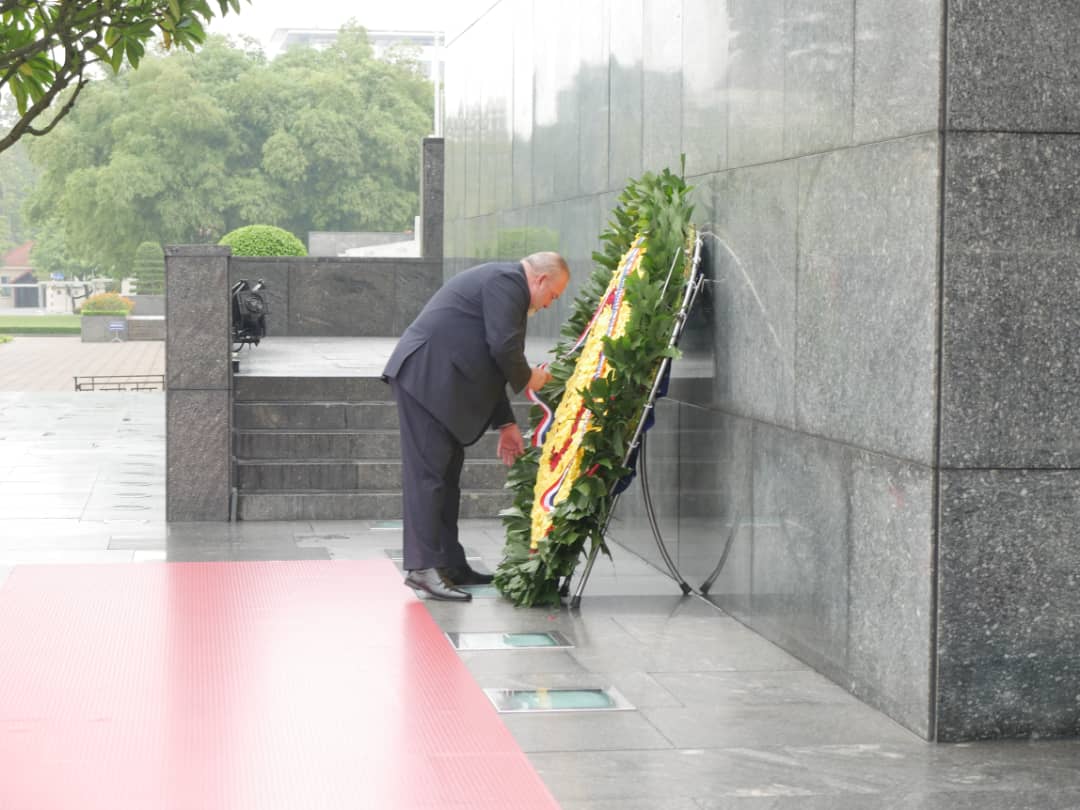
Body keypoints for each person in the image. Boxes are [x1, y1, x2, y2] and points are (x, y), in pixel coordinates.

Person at [382, 252, 570, 601]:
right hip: (426, 378)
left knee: (446, 479)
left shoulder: (506, 285)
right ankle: (421, 570)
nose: (548, 305)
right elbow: (503, 348)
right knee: (428, 478)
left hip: (440, 382)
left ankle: (450, 564)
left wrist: (507, 424)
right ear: (541, 280)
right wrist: (531, 378)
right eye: (553, 296)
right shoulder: (508, 283)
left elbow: (490, 358)